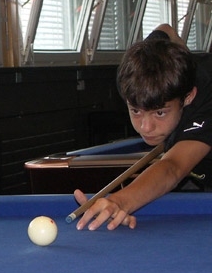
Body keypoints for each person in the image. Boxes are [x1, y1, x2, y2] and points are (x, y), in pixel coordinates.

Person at [74, 24, 212, 231]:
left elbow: (173, 166)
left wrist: (120, 201)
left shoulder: (206, 102)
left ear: (188, 97)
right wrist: (185, 60)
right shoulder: (136, 73)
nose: (145, 127)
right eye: (136, 111)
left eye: (160, 113)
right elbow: (165, 29)